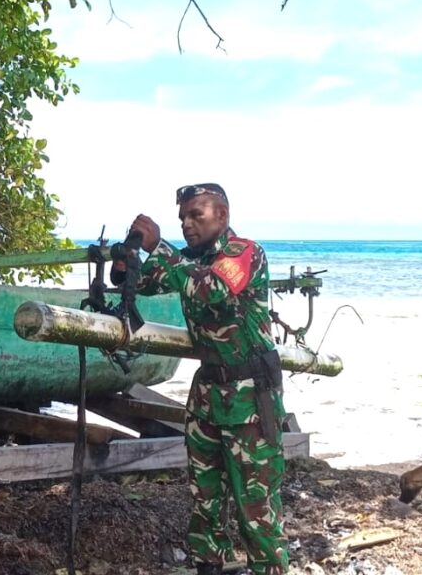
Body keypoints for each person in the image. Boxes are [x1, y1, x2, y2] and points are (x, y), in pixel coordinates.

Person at [129, 183, 287, 575]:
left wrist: (158, 248)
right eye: (182, 216)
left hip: (250, 399)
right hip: (206, 398)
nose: (186, 223)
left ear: (223, 216)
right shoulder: (188, 260)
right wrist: (126, 262)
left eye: (196, 214)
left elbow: (212, 287)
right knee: (205, 501)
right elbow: (146, 283)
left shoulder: (245, 252)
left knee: (257, 507)